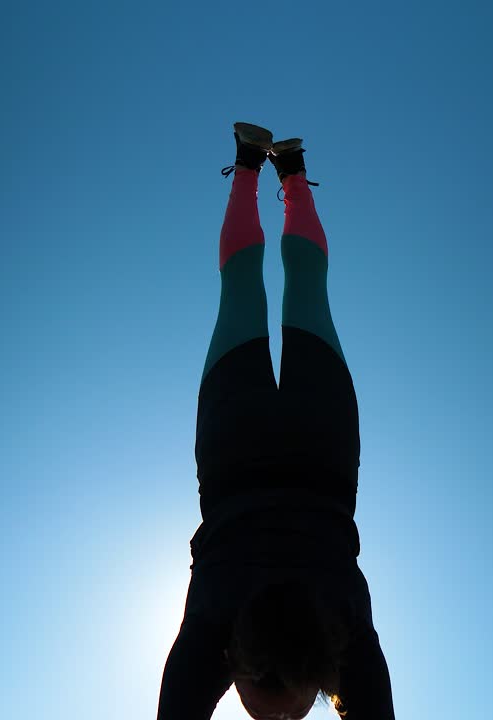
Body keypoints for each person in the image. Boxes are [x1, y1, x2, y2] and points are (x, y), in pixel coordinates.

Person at [156, 123, 395, 720]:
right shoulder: (210, 631)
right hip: (235, 448)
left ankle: (285, 168)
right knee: (240, 289)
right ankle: (248, 163)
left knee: (307, 291)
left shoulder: (347, 635)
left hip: (322, 451)